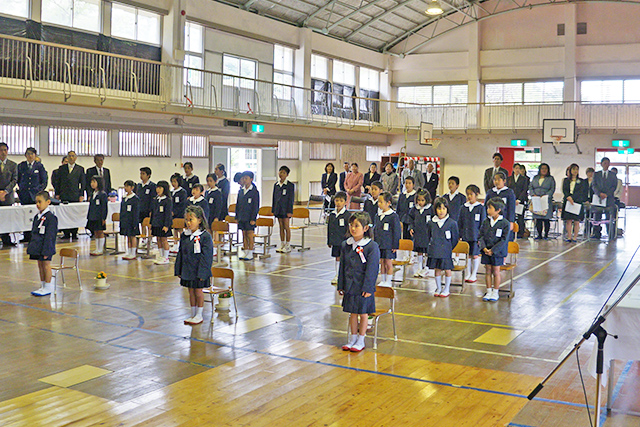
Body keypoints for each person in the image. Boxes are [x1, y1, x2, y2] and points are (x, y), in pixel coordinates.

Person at [338, 211, 380, 353]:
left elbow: (372, 269)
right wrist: (341, 284)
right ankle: (352, 338)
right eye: (351, 225)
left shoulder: (371, 246)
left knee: (363, 314)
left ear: (366, 228)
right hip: (350, 285)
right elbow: (342, 266)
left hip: (363, 287)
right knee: (352, 313)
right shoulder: (346, 245)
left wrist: (368, 287)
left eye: (357, 225)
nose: (353, 228)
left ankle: (361, 340)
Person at [175, 205, 214, 326]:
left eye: (191, 220)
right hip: (187, 269)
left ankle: (199, 314)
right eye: (186, 220)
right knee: (190, 292)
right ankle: (193, 313)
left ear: (199, 220)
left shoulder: (205, 236)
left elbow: (206, 257)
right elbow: (180, 253)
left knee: (198, 292)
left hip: (199, 270)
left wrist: (203, 273)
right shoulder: (185, 235)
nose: (188, 223)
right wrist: (179, 270)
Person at [426, 197, 459, 298]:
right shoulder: (431, 223)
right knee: (437, 269)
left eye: (444, 208)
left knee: (447, 269)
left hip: (446, 250)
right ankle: (438, 287)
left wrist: (448, 247)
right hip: (435, 250)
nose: (441, 211)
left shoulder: (452, 223)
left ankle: (446, 288)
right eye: (439, 208)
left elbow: (455, 238)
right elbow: (428, 236)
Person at [479, 197, 510, 302]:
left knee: (496, 271)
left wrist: (493, 250)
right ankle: (488, 291)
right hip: (486, 251)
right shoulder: (486, 221)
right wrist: (484, 248)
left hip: (497, 252)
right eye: (488, 208)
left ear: (498, 210)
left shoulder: (505, 223)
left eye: (490, 208)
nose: (488, 210)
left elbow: (504, 240)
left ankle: (495, 292)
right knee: (487, 270)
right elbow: (481, 236)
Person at [28, 191, 58, 296]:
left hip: (46, 246)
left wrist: (47, 249)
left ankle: (48, 286)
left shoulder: (51, 218)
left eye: (40, 202)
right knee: (40, 265)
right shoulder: (37, 217)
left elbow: (50, 235)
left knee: (46, 265)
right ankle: (42, 285)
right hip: (37, 245)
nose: (37, 204)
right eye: (36, 202)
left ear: (48, 202)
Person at [17, 147, 48, 242]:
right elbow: (18, 179)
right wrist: (22, 189)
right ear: (25, 155)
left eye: (32, 154)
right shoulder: (21, 166)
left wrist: (39, 192)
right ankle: (26, 235)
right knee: (25, 215)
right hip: (25, 195)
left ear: (35, 155)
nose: (30, 156)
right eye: (28, 154)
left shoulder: (39, 166)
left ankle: (35, 234)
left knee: (35, 215)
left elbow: (44, 181)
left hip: (35, 196)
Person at [53, 150, 85, 240]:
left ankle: (74, 233)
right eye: (69, 156)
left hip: (75, 194)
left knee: (74, 214)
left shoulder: (80, 169)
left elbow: (83, 183)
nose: (71, 158)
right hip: (64, 194)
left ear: (76, 158)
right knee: (65, 214)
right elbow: (57, 182)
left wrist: (81, 195)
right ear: (67, 157)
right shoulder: (62, 168)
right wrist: (57, 193)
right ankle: (66, 233)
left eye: (73, 156)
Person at [458, 184, 485, 283]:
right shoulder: (463, 208)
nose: (469, 196)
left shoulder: (480, 208)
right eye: (467, 194)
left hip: (475, 236)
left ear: (476, 194)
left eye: (471, 194)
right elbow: (460, 222)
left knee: (475, 255)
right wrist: (460, 235)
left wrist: (481, 237)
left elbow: (483, 223)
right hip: (466, 235)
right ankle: (468, 273)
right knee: (468, 255)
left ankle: (474, 274)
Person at [374, 192, 401, 288]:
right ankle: (383, 280)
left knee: (388, 263)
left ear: (388, 203)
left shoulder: (393, 216)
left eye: (381, 202)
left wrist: (395, 245)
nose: (379, 204)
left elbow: (397, 231)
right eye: (378, 202)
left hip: (389, 244)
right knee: (382, 262)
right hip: (379, 244)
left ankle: (389, 281)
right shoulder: (378, 215)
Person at [591, 157, 618, 239]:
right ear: (601, 164)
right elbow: (594, 185)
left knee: (609, 217)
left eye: (608, 163)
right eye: (605, 163)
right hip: (599, 199)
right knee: (597, 217)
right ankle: (596, 233)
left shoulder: (612, 175)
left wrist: (607, 194)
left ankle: (610, 234)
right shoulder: (596, 174)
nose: (606, 165)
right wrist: (599, 194)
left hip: (609, 199)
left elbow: (614, 186)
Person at [327, 192, 351, 285]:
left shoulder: (347, 215)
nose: (338, 203)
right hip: (335, 241)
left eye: (341, 201)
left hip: (344, 241)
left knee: (344, 258)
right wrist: (329, 241)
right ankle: (337, 275)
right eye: (337, 200)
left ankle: (344, 275)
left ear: (345, 202)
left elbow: (349, 230)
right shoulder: (332, 214)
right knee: (337, 258)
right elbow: (329, 228)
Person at [409, 189, 433, 279]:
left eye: (422, 200)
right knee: (419, 251)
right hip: (418, 233)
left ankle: (426, 268)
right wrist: (411, 227)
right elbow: (410, 219)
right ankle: (419, 267)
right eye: (419, 200)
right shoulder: (414, 209)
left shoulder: (430, 209)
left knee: (426, 251)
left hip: (426, 233)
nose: (420, 202)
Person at [236, 171, 260, 261]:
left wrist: (253, 218)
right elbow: (238, 205)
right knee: (244, 234)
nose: (244, 180)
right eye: (243, 178)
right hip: (242, 217)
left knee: (249, 234)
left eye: (246, 178)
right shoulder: (241, 191)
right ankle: (245, 251)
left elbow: (255, 206)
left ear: (251, 179)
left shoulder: (254, 192)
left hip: (249, 217)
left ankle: (250, 252)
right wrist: (237, 216)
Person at [529, 163, 556, 240]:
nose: (544, 170)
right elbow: (530, 187)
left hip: (546, 200)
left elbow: (552, 189)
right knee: (538, 219)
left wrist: (546, 196)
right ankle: (539, 235)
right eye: (542, 168)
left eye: (545, 168)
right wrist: (533, 195)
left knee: (546, 219)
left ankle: (546, 235)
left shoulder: (550, 178)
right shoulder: (535, 177)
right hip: (536, 200)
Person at [562, 164, 588, 243]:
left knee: (577, 221)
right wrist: (568, 197)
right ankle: (569, 236)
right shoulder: (566, 180)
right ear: (570, 171)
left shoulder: (582, 181)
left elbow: (581, 191)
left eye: (577, 169)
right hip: (568, 201)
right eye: (573, 169)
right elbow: (565, 190)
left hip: (577, 202)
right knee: (568, 221)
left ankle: (575, 237)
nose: (575, 171)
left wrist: (573, 198)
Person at [486, 172, 516, 240]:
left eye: (499, 180)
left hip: (505, 220)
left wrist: (511, 221)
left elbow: (511, 208)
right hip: (492, 220)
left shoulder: (509, 192)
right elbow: (486, 207)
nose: (496, 182)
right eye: (495, 180)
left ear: (504, 181)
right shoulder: (490, 192)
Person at [273, 166, 295, 253]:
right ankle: (282, 244)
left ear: (287, 175)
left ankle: (288, 245)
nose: (281, 174)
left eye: (283, 173)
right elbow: (274, 198)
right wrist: (273, 210)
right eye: (280, 172)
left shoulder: (290, 185)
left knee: (286, 226)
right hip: (278, 209)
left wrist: (290, 211)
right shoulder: (276, 185)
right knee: (281, 227)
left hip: (286, 209)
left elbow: (291, 199)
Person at [151, 180, 173, 265]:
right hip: (156, 223)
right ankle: (160, 255)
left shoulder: (167, 200)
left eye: (160, 188)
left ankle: (166, 257)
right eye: (157, 187)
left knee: (164, 239)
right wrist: (151, 223)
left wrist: (167, 225)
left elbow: (168, 214)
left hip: (163, 224)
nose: (158, 189)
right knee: (158, 239)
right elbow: (153, 212)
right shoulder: (155, 200)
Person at [0, 142, 18, 247]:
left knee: (6, 218)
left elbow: (14, 180)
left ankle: (7, 239)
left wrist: (5, 192)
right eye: (1, 150)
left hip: (8, 196)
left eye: (5, 150)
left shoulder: (13, 165)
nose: (3, 152)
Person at [86, 176, 108, 256]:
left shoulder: (102, 194)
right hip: (93, 216)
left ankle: (100, 249)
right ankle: (97, 248)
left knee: (100, 232)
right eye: (91, 182)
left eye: (94, 182)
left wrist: (103, 218)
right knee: (95, 232)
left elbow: (104, 207)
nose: (92, 184)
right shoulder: (92, 194)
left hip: (99, 216)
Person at [508, 164, 530, 238]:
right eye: (516, 168)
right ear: (513, 169)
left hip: (520, 201)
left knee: (520, 217)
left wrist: (519, 199)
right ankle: (512, 232)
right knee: (511, 217)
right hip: (511, 200)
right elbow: (508, 189)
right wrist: (512, 199)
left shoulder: (524, 179)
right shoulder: (509, 178)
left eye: (519, 168)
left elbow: (524, 190)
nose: (517, 170)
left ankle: (520, 233)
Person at [120, 180, 140, 261]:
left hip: (132, 220)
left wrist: (135, 223)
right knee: (128, 237)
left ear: (132, 187)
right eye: (125, 186)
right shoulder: (124, 198)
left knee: (132, 236)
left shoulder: (135, 198)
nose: (125, 188)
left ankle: (133, 252)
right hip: (125, 220)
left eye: (127, 186)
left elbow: (136, 212)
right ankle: (129, 251)